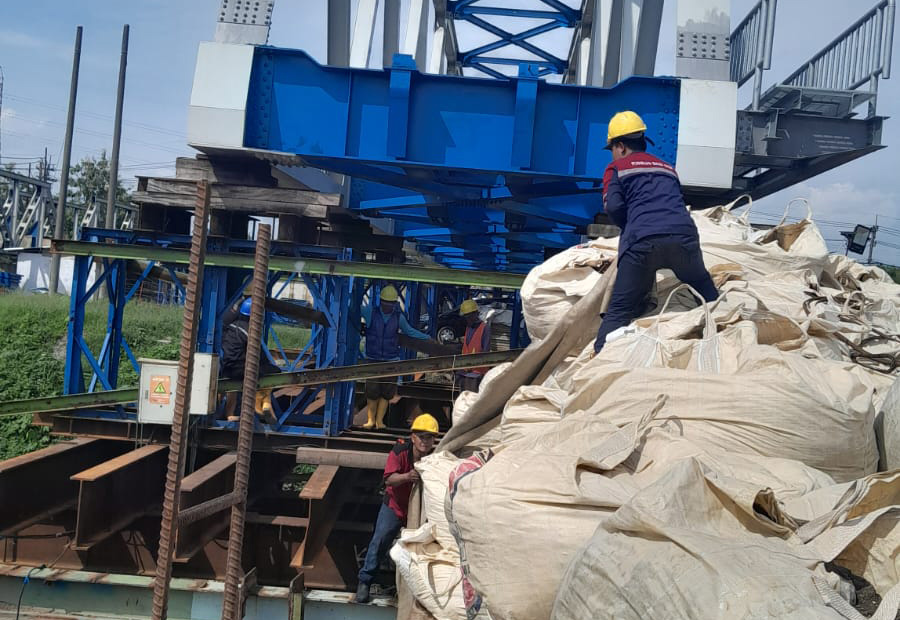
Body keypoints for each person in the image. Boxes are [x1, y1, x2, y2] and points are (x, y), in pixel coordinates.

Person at [593, 111, 718, 354]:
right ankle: (723, 332)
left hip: (642, 244)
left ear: (620, 146)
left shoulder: (616, 168)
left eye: (612, 149)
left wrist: (631, 228)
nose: (612, 154)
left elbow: (614, 207)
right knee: (705, 291)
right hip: (684, 239)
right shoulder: (667, 168)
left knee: (619, 310)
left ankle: (599, 359)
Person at [355, 413, 439, 603]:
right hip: (395, 506)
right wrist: (407, 476)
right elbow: (388, 479)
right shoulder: (400, 451)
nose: (425, 441)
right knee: (380, 540)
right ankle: (365, 581)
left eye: (429, 437)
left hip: (420, 510)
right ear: (413, 437)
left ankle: (420, 589)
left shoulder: (435, 457)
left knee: (422, 547)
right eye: (421, 436)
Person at [360, 285, 431, 429]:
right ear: (381, 301)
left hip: (391, 359)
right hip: (373, 358)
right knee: (372, 390)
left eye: (391, 303)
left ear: (394, 303)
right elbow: (354, 309)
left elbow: (409, 331)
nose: (388, 306)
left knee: (387, 391)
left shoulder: (399, 318)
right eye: (386, 303)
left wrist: (426, 338)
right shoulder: (370, 313)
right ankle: (371, 420)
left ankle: (379, 421)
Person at [221, 297, 280, 421]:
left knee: (232, 388)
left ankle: (229, 414)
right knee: (273, 372)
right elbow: (261, 356)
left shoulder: (230, 326)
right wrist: (269, 364)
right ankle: (262, 403)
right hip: (241, 370)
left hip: (226, 367)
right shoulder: (250, 331)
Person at [456, 299, 491, 393]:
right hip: (465, 371)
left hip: (477, 372)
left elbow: (486, 352)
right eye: (466, 317)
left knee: (472, 398)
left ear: (475, 314)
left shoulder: (484, 328)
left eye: (469, 317)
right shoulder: (469, 327)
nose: (467, 320)